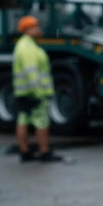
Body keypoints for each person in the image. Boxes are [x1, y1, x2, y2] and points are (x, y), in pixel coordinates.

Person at [13, 15, 60, 162]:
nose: (38, 29)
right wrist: (39, 93)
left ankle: (25, 152)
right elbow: (31, 72)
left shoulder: (24, 45)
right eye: (35, 26)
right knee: (41, 122)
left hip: (24, 92)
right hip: (34, 93)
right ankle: (44, 151)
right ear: (27, 29)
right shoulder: (28, 47)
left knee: (23, 120)